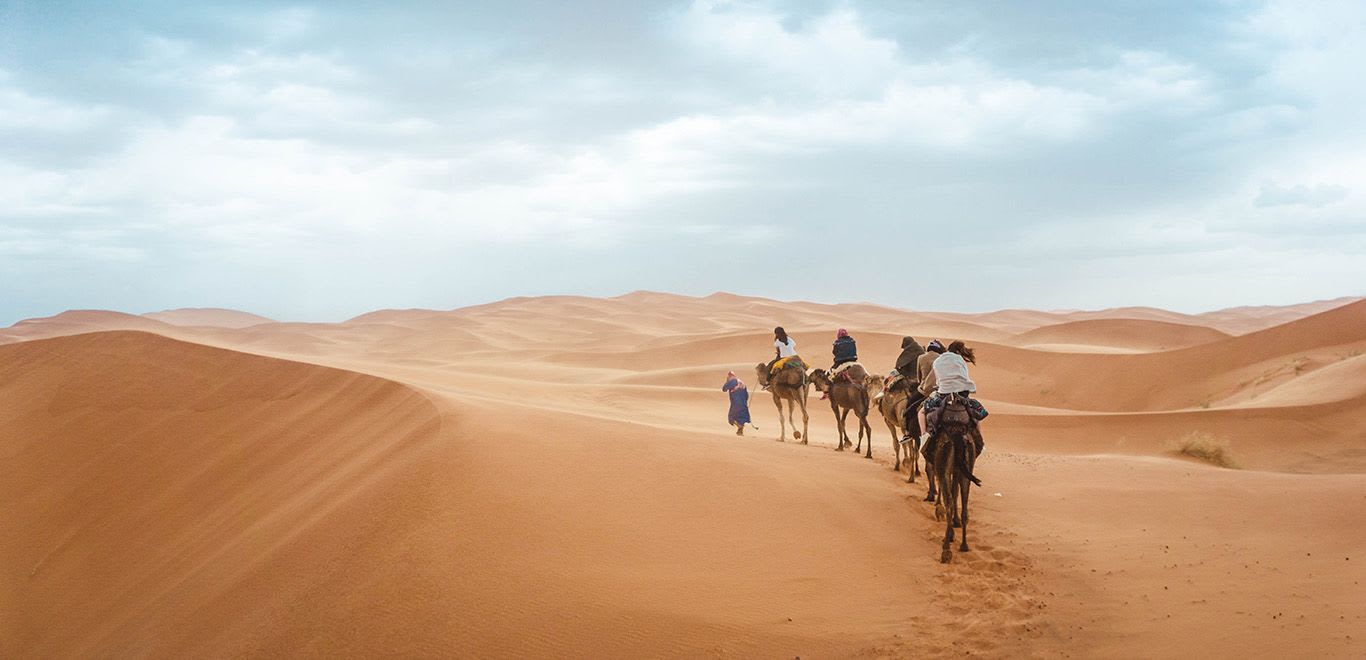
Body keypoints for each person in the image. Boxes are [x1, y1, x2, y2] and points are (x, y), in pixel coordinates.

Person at [917, 341, 986, 457]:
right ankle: (980, 441)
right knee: (976, 415)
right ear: (958, 351)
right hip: (962, 394)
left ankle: (924, 436)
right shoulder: (960, 360)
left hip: (943, 394)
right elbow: (965, 377)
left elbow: (938, 379)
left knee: (922, 412)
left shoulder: (938, 360)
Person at [901, 339, 944, 442]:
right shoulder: (941, 359)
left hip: (924, 391)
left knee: (909, 406)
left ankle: (907, 432)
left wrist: (923, 384)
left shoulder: (921, 357)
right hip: (940, 390)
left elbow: (919, 377)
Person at [722, 370, 751, 435]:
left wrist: (727, 382)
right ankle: (740, 431)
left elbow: (724, 389)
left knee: (731, 417)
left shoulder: (732, 381)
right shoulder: (742, 382)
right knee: (741, 418)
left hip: (736, 403)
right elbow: (746, 395)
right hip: (743, 403)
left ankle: (739, 427)